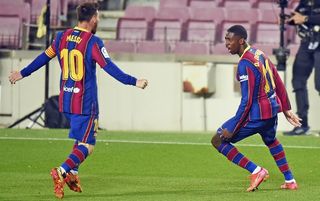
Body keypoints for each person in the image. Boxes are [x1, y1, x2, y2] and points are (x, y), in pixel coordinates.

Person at [8, 2, 148, 199]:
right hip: (85, 102)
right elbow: (109, 67)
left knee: (81, 138)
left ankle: (73, 174)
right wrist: (134, 81)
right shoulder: (93, 42)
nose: (98, 20)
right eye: (97, 17)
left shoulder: (61, 37)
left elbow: (44, 57)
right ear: (92, 19)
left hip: (67, 100)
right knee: (88, 145)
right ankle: (62, 171)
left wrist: (22, 73)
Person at [210, 25, 302, 192]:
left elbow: (247, 100)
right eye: (226, 40)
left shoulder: (245, 63)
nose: (226, 43)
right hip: (272, 112)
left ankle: (256, 171)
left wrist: (233, 128)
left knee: (218, 140)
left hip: (257, 115)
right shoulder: (259, 54)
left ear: (241, 41)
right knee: (271, 141)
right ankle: (290, 180)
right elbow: (277, 79)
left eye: (229, 40)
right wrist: (286, 108)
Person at [284, 0, 320, 135]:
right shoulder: (304, 2)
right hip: (306, 43)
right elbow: (297, 17)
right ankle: (302, 125)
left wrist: (305, 18)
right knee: (298, 82)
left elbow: (305, 18)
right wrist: (288, 20)